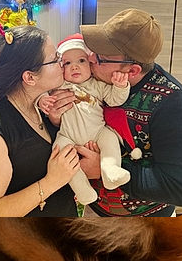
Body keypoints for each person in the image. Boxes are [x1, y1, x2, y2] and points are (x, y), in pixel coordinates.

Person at [43, 8, 182, 216]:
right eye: (93, 50)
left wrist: (102, 167)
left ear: (132, 71)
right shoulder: (90, 76)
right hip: (93, 209)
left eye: (101, 58)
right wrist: (56, 120)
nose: (90, 58)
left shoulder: (173, 103)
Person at [0, 24, 82, 217]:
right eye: (55, 59)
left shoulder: (40, 102)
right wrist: (51, 182)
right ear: (30, 77)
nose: (62, 63)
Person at [52, 34, 132, 207]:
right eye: (67, 63)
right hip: (68, 136)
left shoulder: (97, 85)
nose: (74, 66)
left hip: (98, 132)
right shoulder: (59, 86)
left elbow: (114, 100)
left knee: (110, 138)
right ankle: (82, 190)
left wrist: (120, 86)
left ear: (90, 64)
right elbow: (42, 95)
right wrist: (42, 100)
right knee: (60, 153)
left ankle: (110, 171)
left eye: (81, 61)